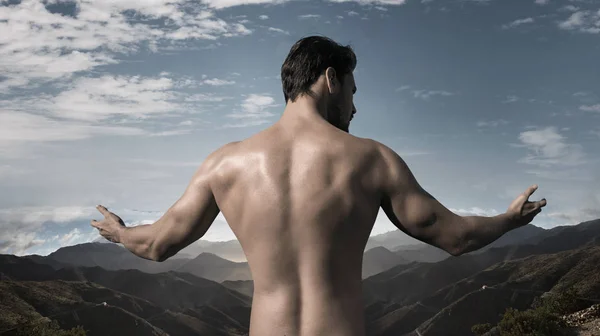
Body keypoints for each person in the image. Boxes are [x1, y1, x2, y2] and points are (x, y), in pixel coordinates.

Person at [91, 35, 548, 336]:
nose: (354, 107)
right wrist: (509, 221)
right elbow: (456, 237)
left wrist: (118, 232)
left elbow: (155, 245)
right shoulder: (371, 159)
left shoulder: (224, 164)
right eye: (352, 91)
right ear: (330, 80)